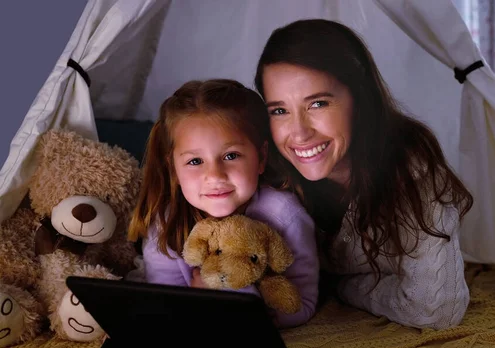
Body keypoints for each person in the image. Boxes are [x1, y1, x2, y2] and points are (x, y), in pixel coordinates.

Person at [253, 19, 474, 330]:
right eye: (279, 110)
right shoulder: (268, 173)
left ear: (359, 98)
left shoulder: (410, 168)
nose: (299, 132)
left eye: (318, 103)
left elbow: (436, 308)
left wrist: (342, 288)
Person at [128, 79, 319, 328]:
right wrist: (198, 302)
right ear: (173, 168)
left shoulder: (285, 214)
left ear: (260, 158)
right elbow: (167, 301)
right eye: (195, 161)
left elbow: (302, 303)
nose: (215, 176)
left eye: (231, 156)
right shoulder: (166, 223)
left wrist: (243, 304)